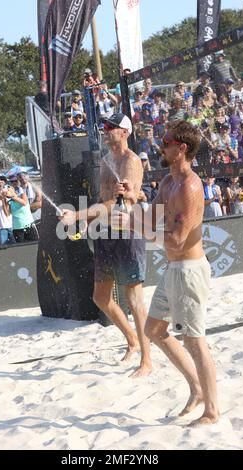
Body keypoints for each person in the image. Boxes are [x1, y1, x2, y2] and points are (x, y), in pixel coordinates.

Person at [114, 120, 220, 426]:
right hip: (174, 269)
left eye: (166, 142)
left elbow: (176, 238)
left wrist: (135, 226)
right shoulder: (168, 182)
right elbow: (152, 217)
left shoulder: (189, 185)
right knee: (154, 331)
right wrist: (132, 197)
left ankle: (212, 412)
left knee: (195, 340)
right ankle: (197, 388)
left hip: (189, 270)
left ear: (182, 148)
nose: (161, 145)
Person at [60, 113, 152, 378]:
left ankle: (147, 360)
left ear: (124, 132)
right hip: (106, 231)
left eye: (111, 126)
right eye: (105, 125)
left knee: (134, 299)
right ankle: (132, 340)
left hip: (127, 231)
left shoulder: (131, 162)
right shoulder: (106, 161)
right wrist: (91, 221)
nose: (105, 129)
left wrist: (77, 215)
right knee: (100, 297)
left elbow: (120, 203)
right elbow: (104, 199)